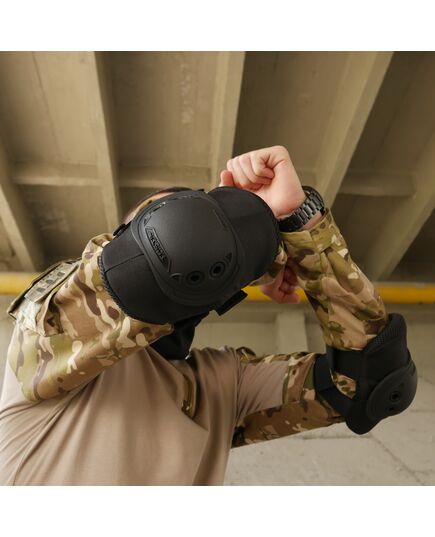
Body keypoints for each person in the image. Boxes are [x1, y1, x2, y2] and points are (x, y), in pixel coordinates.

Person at [0, 145, 416, 485]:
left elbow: (372, 380)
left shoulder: (221, 386)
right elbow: (174, 247)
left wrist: (300, 222)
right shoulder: (48, 342)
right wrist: (252, 222)